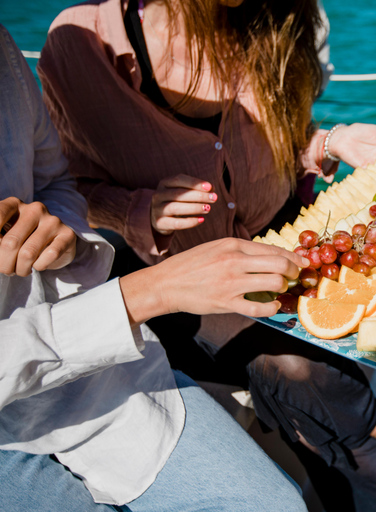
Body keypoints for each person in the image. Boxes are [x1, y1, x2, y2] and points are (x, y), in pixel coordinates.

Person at [38, 0, 376, 509]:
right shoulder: (82, 43)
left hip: (285, 237)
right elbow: (64, 186)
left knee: (323, 353)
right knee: (299, 371)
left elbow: (280, 144)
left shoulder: (278, 18)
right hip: (172, 271)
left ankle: (365, 446)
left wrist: (330, 141)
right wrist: (139, 209)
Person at [0, 24, 309, 511]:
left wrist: (61, 237)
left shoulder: (3, 49)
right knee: (302, 373)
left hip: (97, 373)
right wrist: (148, 288)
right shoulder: (81, 42)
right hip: (16, 423)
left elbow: (55, 180)